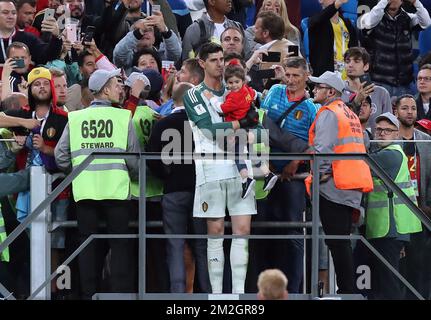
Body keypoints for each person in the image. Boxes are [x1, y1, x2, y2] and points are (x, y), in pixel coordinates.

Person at [54, 68, 140, 299]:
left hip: (85, 192)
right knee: (120, 248)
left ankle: (89, 295)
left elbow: (60, 156)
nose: (120, 88)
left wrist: (79, 172)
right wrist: (132, 175)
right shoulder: (123, 117)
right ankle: (120, 296)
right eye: (116, 84)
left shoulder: (76, 117)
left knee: (87, 248)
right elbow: (134, 160)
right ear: (105, 89)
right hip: (117, 192)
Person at [183, 43, 259, 294]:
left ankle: (237, 295)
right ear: (202, 64)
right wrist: (242, 124)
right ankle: (216, 296)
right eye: (214, 60)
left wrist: (247, 126)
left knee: (242, 231)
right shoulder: (193, 95)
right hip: (211, 167)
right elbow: (209, 131)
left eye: (222, 59)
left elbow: (256, 127)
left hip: (241, 167)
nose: (220, 64)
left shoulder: (237, 90)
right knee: (215, 232)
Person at [306, 71, 373, 293]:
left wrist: (320, 174)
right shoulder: (348, 113)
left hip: (335, 186)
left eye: (319, 87)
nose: (314, 89)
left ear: (331, 92)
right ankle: (347, 291)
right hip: (350, 184)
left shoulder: (329, 113)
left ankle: (347, 292)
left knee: (337, 242)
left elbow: (323, 150)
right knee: (341, 241)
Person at [147, 82, 211, 293]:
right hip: (202, 190)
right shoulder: (204, 124)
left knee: (174, 245)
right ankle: (207, 295)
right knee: (202, 246)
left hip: (173, 191)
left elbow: (152, 159)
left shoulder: (163, 125)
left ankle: (177, 295)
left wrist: (167, 175)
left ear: (172, 99)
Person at [365, 112, 422, 299]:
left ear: (397, 134)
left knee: (388, 284)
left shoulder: (391, 155)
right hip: (387, 228)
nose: (382, 133)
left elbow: (361, 164)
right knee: (384, 282)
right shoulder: (388, 153)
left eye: (388, 130)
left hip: (389, 227)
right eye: (379, 129)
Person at [203, 59, 277, 198]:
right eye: (230, 82)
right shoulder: (247, 90)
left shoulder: (234, 98)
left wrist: (211, 97)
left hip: (239, 129)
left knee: (238, 155)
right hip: (249, 126)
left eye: (236, 82)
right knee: (251, 153)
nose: (234, 85)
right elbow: (254, 94)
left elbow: (220, 109)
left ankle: (246, 180)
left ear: (242, 80)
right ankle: (267, 174)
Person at [393, 94, 431, 299]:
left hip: (421, 212)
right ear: (395, 111)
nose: (410, 112)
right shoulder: (388, 139)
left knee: (420, 267)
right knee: (398, 269)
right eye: (405, 108)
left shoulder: (426, 141)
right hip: (396, 212)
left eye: (413, 108)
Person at [358, 0, 431, 97]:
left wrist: (415, 2)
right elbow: (368, 23)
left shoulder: (407, 17)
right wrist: (385, 1)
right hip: (379, 81)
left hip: (404, 83)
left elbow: (426, 23)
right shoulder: (371, 16)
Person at [342, 47, 392, 134]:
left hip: (376, 146)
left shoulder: (381, 93)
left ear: (366, 66)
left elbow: (389, 126)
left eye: (356, 61)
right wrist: (357, 101)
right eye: (347, 61)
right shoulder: (339, 91)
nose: (350, 65)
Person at [309, 0, 357, 77]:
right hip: (326, 78)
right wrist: (336, 4)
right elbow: (319, 19)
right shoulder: (316, 22)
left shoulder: (347, 23)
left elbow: (355, 50)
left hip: (347, 76)